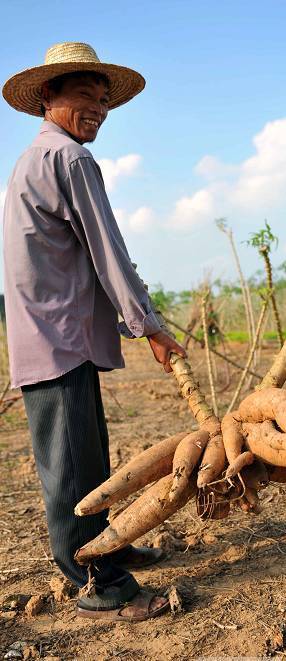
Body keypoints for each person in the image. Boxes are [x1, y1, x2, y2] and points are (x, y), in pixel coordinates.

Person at [2, 42, 186, 620]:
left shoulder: (37, 156)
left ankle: (110, 545)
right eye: (86, 96)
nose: (99, 109)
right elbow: (108, 251)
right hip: (57, 338)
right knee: (71, 469)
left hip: (56, 335)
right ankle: (97, 579)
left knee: (89, 459)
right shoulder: (72, 159)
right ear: (48, 97)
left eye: (104, 101)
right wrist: (150, 327)